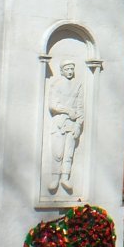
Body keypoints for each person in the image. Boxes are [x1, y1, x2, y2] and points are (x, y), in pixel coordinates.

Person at [44, 61, 84, 195]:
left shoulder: (78, 85)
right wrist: (67, 111)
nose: (70, 71)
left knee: (69, 153)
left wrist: (78, 126)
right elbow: (52, 105)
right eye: (67, 69)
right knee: (57, 153)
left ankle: (65, 178)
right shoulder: (56, 84)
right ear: (62, 70)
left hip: (72, 124)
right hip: (59, 122)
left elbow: (80, 108)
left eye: (72, 68)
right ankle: (55, 178)